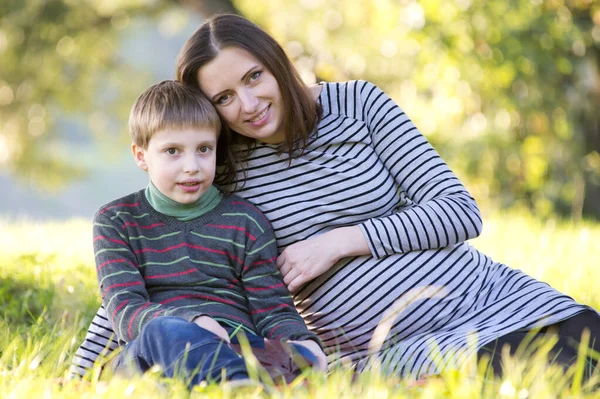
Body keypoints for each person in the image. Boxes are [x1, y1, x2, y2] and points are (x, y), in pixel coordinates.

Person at [71, 14, 600, 380]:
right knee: (516, 373)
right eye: (225, 98)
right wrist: (79, 370)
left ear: (275, 62)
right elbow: (147, 256)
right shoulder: (220, 170)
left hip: (495, 300)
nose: (250, 104)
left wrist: (339, 242)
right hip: (390, 347)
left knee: (586, 346)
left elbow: (460, 212)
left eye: (255, 77)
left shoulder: (358, 104)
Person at [70, 79, 325, 387]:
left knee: (293, 355)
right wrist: (191, 321)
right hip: (152, 352)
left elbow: (271, 307)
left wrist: (302, 344)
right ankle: (237, 387)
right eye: (172, 151)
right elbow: (125, 308)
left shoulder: (245, 220)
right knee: (163, 331)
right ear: (141, 156)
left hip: (236, 346)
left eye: (204, 149)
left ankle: (240, 379)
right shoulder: (117, 221)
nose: (192, 166)